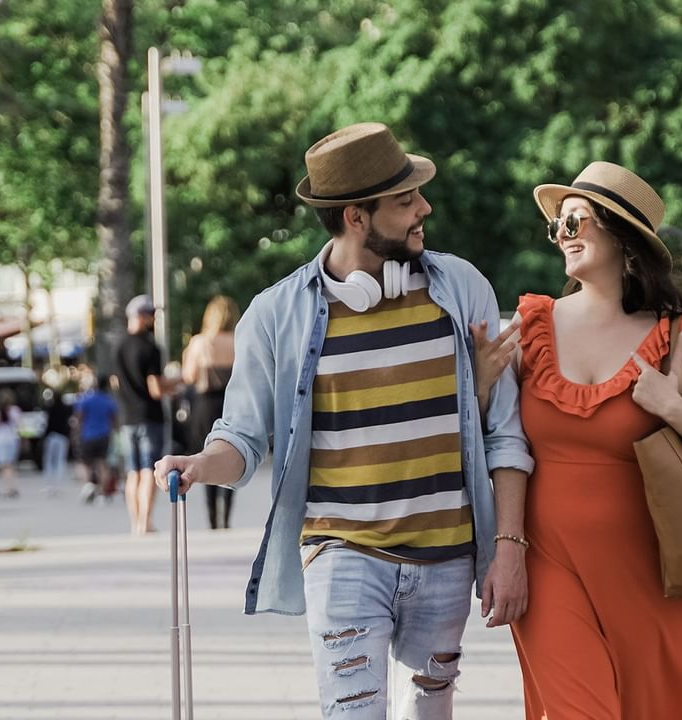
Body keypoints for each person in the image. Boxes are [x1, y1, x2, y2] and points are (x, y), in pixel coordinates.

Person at [153, 122, 533, 719]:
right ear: (356, 216)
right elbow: (245, 436)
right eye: (406, 201)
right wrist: (202, 463)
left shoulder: (461, 289)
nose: (424, 209)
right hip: (343, 553)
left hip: (447, 556)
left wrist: (507, 548)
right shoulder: (276, 314)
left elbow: (504, 435)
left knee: (429, 711)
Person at [476, 161, 682, 719]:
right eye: (557, 226)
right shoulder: (532, 326)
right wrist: (480, 388)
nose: (562, 236)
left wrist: (674, 408)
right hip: (547, 562)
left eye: (574, 223)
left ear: (622, 236)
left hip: (648, 572)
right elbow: (496, 439)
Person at [113, 295, 178, 534]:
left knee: (132, 472)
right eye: (150, 314)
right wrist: (176, 383)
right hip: (149, 416)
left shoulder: (118, 346)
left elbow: (115, 381)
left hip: (127, 417)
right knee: (148, 470)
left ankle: (134, 522)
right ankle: (145, 522)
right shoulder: (150, 347)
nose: (153, 319)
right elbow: (155, 389)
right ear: (142, 316)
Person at [181, 295, 240, 530]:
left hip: (205, 405)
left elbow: (189, 376)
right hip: (231, 404)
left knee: (205, 457)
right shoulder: (239, 340)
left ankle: (212, 519)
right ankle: (226, 518)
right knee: (232, 454)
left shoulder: (201, 342)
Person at [74, 375, 118, 504]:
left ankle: (89, 485)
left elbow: (79, 417)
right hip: (104, 434)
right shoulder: (109, 400)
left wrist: (76, 432)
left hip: (87, 435)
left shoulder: (86, 400)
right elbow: (114, 419)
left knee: (85, 463)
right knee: (102, 464)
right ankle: (103, 493)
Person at [41, 388, 74, 495]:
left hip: (52, 436)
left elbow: (47, 423)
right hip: (63, 437)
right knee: (60, 461)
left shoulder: (50, 408)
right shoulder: (66, 408)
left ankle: (49, 484)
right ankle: (58, 485)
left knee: (50, 461)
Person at [0, 389, 22, 499]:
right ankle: (12, 486)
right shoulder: (15, 410)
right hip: (12, 440)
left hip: (0, 440)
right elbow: (19, 425)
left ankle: (5, 488)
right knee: (11, 465)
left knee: (3, 467)